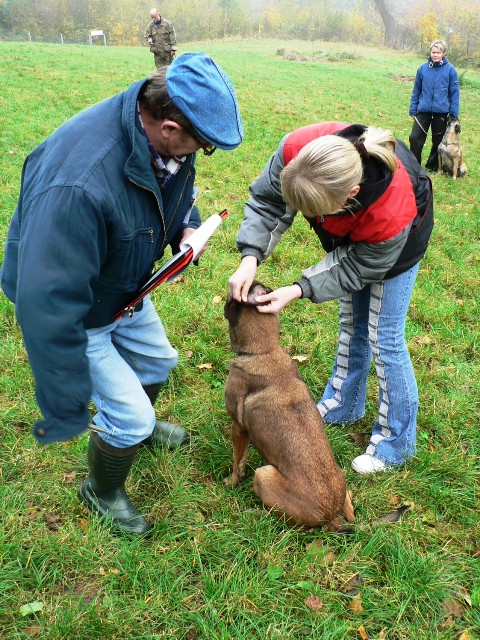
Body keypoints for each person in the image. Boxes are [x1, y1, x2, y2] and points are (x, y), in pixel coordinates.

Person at [1, 52, 243, 535]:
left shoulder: (159, 131)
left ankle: (138, 419)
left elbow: (173, 194)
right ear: (170, 127)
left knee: (158, 361)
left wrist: (186, 232)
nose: (200, 154)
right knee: (127, 417)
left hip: (123, 287)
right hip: (76, 312)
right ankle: (102, 487)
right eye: (201, 145)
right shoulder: (77, 186)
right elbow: (45, 294)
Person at [228, 122, 434, 475]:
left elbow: (358, 267)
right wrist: (251, 256)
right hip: (356, 234)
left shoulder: (389, 211)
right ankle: (343, 403)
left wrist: (299, 288)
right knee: (352, 322)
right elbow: (267, 202)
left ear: (351, 194)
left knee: (383, 337)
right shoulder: (299, 151)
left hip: (396, 248)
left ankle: (395, 443)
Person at [409, 39, 459, 172]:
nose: (435, 55)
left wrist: (454, 115)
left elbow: (454, 94)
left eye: (438, 52)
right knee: (415, 138)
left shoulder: (450, 71)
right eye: (433, 52)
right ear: (430, 52)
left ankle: (432, 166)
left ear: (444, 53)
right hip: (423, 110)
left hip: (441, 112)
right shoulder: (422, 69)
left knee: (437, 141)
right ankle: (414, 165)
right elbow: (416, 91)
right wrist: (413, 109)